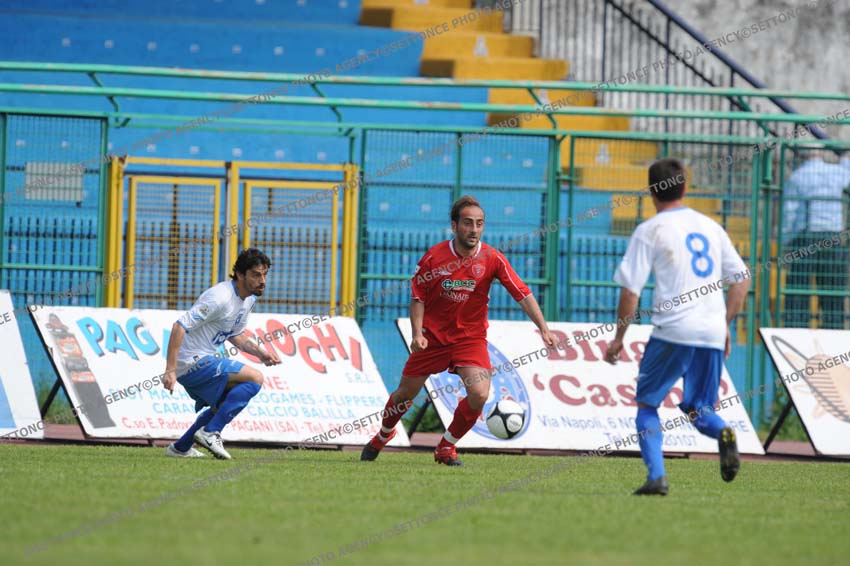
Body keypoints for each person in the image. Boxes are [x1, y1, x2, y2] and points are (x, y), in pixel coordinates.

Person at [361, 195, 555, 466]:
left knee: (479, 393)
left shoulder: (492, 258)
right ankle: (384, 434)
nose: (474, 229)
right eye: (467, 223)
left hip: (469, 340)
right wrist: (417, 334)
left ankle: (446, 446)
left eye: (479, 223)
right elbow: (418, 298)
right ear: (454, 226)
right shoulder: (434, 257)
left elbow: (521, 292)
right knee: (404, 395)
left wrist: (543, 328)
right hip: (433, 339)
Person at [604, 158, 751, 495]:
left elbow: (630, 292)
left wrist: (618, 338)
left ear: (651, 191)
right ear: (685, 187)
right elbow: (741, 280)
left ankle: (657, 477)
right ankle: (724, 431)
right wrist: (724, 324)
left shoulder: (650, 230)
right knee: (702, 410)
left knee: (647, 404)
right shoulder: (711, 227)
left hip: (672, 330)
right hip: (711, 333)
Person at [163, 248, 281, 459]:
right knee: (255, 378)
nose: (262, 281)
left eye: (265, 274)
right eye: (256, 275)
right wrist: (170, 370)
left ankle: (180, 448)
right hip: (191, 362)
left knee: (227, 399)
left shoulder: (248, 299)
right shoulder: (219, 297)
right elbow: (179, 326)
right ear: (240, 275)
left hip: (203, 360)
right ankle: (211, 432)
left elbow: (236, 335)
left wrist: (261, 353)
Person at [782, 150, 850, 329]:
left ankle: (795, 328)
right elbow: (847, 170)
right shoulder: (837, 172)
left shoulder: (797, 176)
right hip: (833, 237)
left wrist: (786, 241)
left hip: (806, 237)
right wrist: (844, 157)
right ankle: (834, 329)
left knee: (798, 287)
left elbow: (789, 212)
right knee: (833, 290)